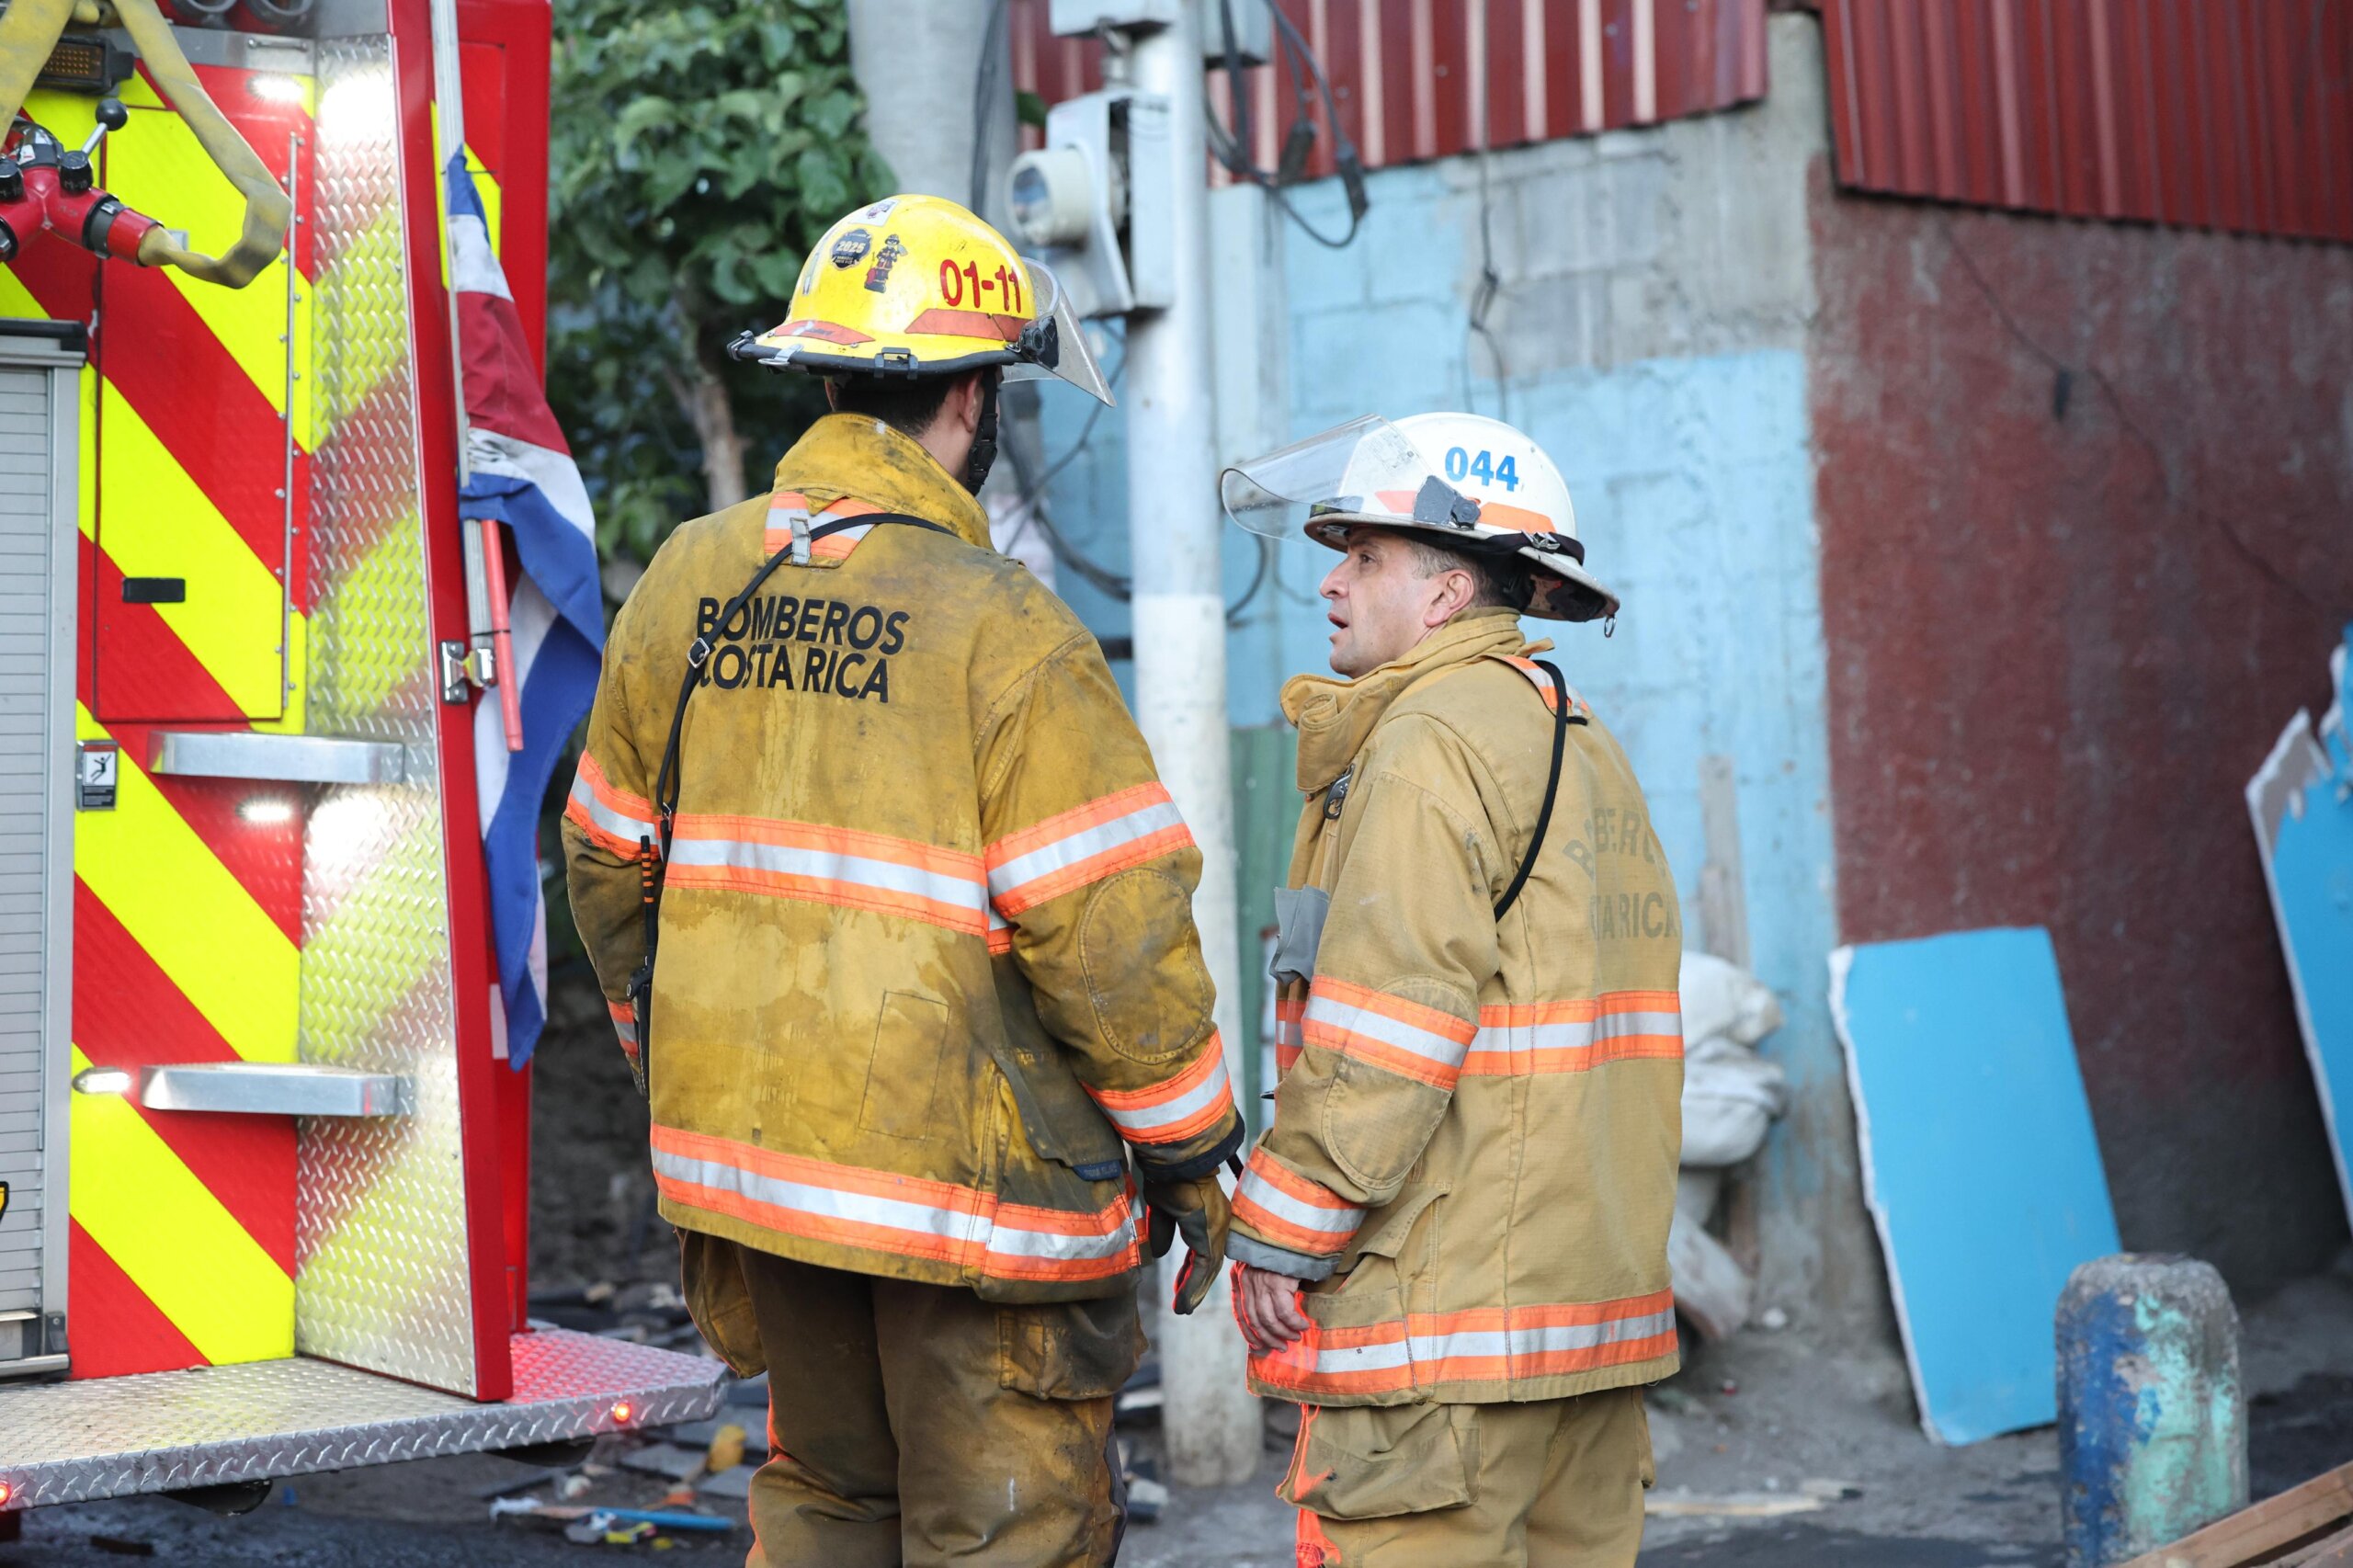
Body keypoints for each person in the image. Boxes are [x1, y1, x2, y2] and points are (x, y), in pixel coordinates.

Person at [563, 194, 1243, 1568]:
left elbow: (605, 859)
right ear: (976, 400)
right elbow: (1113, 944)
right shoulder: (1006, 632)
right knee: (1003, 1526)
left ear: (824, 376)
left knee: (823, 1501)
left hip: (766, 1180)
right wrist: (1191, 1156)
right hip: (969, 1206)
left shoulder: (691, 577)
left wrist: (681, 1051)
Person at [1219, 413, 1685, 1568]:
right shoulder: (1578, 734)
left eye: (1363, 556)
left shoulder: (1424, 741)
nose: (1329, 580)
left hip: (1447, 1342)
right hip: (1589, 1331)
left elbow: (1386, 1028)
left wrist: (1279, 1230)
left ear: (1444, 594)